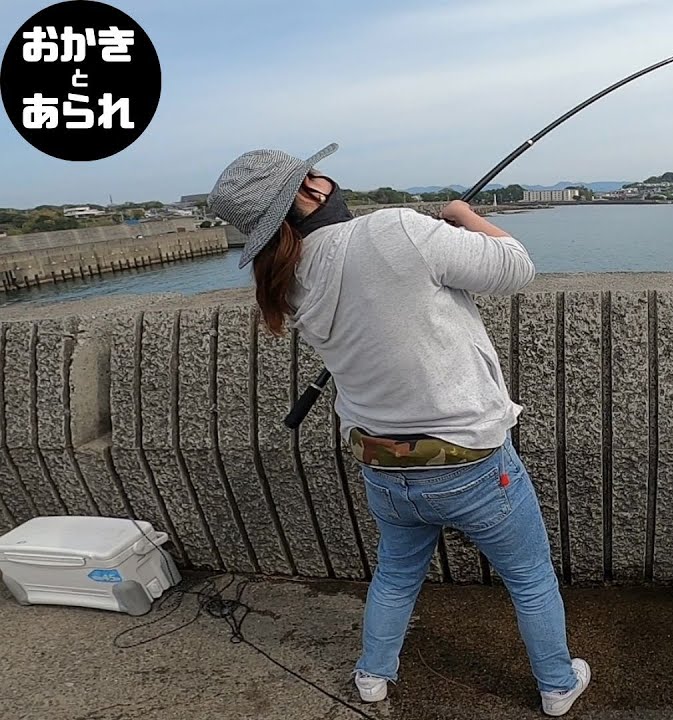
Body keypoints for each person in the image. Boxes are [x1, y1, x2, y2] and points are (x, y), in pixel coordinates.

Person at [207, 143, 590, 716]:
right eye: (316, 174)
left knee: (394, 576)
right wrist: (462, 218)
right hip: (471, 463)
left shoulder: (286, 277)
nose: (327, 180)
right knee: (529, 576)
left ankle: (372, 675)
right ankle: (558, 685)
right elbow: (516, 269)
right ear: (310, 191)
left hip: (383, 466)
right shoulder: (392, 229)